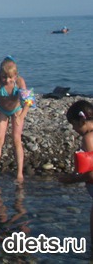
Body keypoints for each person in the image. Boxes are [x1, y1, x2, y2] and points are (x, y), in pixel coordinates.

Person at [0, 56, 34, 181]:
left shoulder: (19, 82)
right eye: (4, 77)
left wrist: (21, 117)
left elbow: (28, 102)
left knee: (16, 139)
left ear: (15, 76)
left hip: (17, 110)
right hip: (2, 110)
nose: (7, 80)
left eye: (10, 78)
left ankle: (19, 173)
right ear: (0, 75)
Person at [59, 100, 93, 247]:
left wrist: (71, 180)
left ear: (81, 121)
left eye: (73, 124)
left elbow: (92, 174)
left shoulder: (89, 138)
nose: (73, 129)